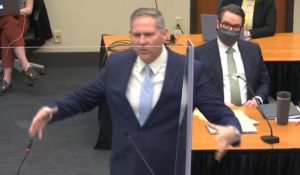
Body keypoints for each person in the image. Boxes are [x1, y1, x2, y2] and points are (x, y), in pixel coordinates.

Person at [28, 8, 241, 175]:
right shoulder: (117, 65)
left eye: (148, 34)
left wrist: (232, 129)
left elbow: (219, 111)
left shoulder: (189, 69)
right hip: (125, 165)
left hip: (169, 167)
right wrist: (53, 110)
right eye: (136, 35)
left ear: (164, 34)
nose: (141, 41)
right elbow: (85, 97)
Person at [195, 4, 270, 107]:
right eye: (226, 24)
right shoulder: (200, 53)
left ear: (241, 29)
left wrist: (257, 99)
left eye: (235, 27)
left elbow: (264, 82)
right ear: (218, 24)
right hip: (217, 112)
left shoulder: (253, 50)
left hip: (249, 111)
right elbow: (194, 89)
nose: (230, 29)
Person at [0, 0, 41, 95]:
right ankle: (25, 65)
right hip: (1, 19)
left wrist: (15, 12)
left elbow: (29, 10)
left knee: (7, 32)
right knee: (8, 20)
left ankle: (7, 78)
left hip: (20, 19)